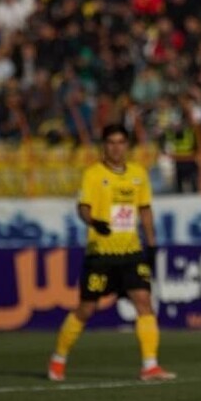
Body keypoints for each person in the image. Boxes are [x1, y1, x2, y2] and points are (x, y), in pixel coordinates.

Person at [48, 124, 172, 383]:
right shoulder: (93, 174)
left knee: (143, 302)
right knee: (86, 309)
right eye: (111, 142)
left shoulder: (138, 174)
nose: (116, 147)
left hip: (131, 252)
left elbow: (145, 210)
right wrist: (93, 222)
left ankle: (150, 365)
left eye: (120, 142)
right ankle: (58, 359)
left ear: (127, 145)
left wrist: (151, 244)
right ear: (104, 145)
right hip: (101, 253)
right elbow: (82, 207)